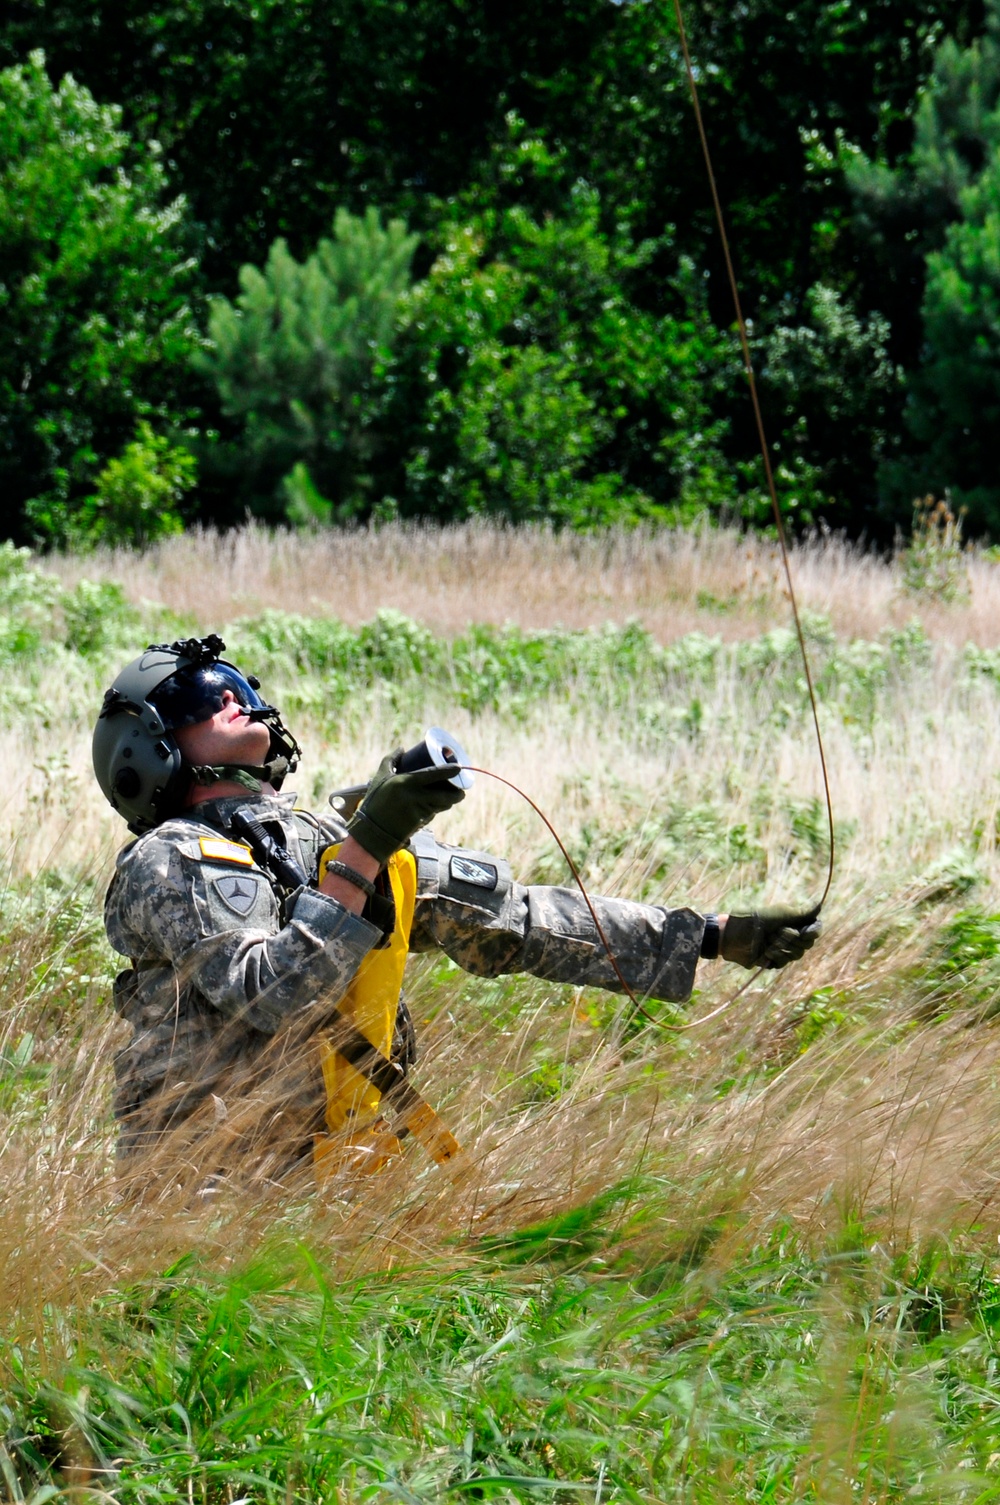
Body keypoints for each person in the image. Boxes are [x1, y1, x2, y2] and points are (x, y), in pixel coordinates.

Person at [93, 635, 821, 1189]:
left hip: (338, 1187)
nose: (232, 698)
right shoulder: (169, 860)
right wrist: (369, 844)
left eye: (239, 686)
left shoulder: (320, 840)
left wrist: (708, 937)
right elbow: (275, 993)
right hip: (204, 1197)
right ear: (146, 750)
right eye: (199, 699)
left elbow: (515, 923)